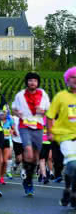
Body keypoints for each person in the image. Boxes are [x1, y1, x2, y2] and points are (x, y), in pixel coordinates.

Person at [12, 72, 50, 196]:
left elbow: (48, 110)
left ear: (37, 83)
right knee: (28, 152)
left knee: (34, 157)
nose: (32, 82)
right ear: (26, 82)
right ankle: (28, 182)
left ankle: (28, 179)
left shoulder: (43, 94)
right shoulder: (20, 95)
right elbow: (14, 108)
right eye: (30, 80)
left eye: (34, 80)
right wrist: (17, 114)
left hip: (38, 127)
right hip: (24, 126)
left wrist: (42, 111)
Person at [46, 66, 76, 207]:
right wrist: (50, 132)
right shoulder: (60, 96)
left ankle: (71, 192)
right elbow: (50, 116)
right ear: (67, 80)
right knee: (72, 164)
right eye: (72, 77)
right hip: (65, 137)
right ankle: (69, 189)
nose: (75, 80)